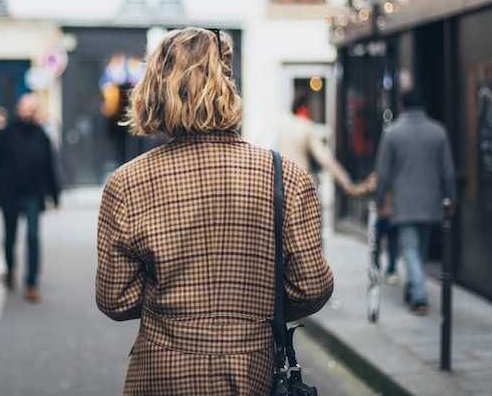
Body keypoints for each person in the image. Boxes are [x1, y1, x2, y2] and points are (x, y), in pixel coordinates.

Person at [95, 27, 334, 394]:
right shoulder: (284, 176)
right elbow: (311, 288)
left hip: (162, 372)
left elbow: (115, 299)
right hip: (251, 370)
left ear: (155, 89)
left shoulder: (128, 182)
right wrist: (252, 305)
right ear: (228, 85)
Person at [373, 89, 456, 315]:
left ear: (401, 105)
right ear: (424, 104)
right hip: (431, 202)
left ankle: (418, 297)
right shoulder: (438, 131)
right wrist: (452, 199)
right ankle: (413, 291)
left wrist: (379, 200)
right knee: (418, 249)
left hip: (404, 202)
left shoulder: (392, 133)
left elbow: (383, 172)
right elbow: (448, 171)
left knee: (409, 249)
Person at [0, 94, 60, 302]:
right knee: (10, 238)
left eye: (32, 108)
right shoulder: (5, 134)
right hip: (9, 193)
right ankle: (10, 269)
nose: (29, 111)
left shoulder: (42, 136)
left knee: (32, 238)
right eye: (25, 107)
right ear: (19, 109)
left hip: (33, 194)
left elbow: (50, 168)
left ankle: (31, 283)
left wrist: (55, 195)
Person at [275, 93, 374, 197]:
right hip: (298, 184)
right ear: (305, 107)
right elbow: (325, 158)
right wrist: (346, 182)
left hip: (281, 183)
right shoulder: (306, 127)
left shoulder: (283, 126)